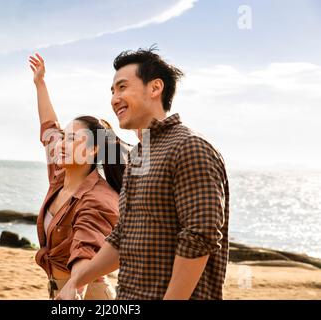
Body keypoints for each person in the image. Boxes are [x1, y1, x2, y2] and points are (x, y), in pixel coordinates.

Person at [56, 47, 230, 300]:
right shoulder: (139, 155)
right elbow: (122, 237)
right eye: (113, 91)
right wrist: (76, 281)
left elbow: (199, 237)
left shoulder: (189, 146)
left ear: (155, 88)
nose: (114, 99)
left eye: (122, 87)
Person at [29, 53, 129, 299]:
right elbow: (49, 126)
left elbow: (87, 246)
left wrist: (75, 286)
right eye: (64, 136)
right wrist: (40, 84)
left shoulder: (98, 197)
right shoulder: (61, 174)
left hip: (86, 295)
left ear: (95, 148)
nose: (61, 143)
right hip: (59, 291)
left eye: (72, 139)